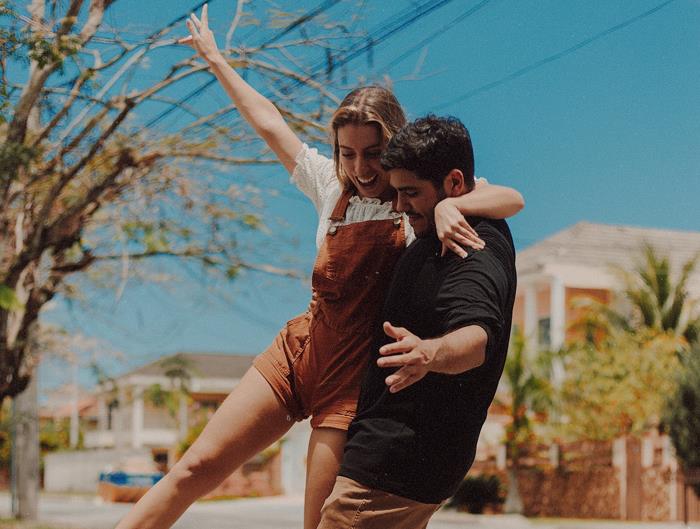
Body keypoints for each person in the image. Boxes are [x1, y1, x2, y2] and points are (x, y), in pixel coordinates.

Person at [114, 7, 524, 529]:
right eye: (347, 153)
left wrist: (452, 206)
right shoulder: (330, 187)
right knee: (195, 467)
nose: (360, 167)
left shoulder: (414, 203)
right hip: (300, 350)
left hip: (352, 381)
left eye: (373, 153)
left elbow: (511, 198)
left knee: (319, 521)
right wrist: (216, 61)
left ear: (394, 147)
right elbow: (269, 123)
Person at [317, 115, 518, 529]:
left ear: (455, 182)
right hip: (401, 461)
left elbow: (476, 338)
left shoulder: (469, 248)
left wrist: (429, 353)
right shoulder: (451, 224)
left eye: (410, 193)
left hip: (394, 463)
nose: (399, 205)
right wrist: (446, 205)